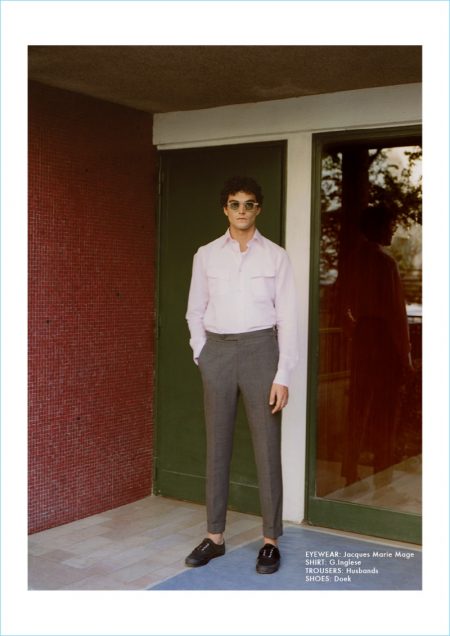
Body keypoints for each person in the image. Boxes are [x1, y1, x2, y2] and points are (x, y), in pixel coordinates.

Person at [184, 176, 298, 574]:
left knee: (267, 446)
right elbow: (194, 310)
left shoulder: (276, 257)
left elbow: (288, 318)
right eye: (235, 204)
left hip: (260, 351)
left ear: (258, 209)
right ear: (225, 209)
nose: (242, 211)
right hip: (217, 351)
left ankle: (270, 541)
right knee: (217, 444)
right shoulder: (206, 255)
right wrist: (202, 352)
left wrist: (283, 374)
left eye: (249, 204)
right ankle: (214, 537)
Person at [341, 205, 413, 486]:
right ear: (378, 227)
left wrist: (354, 331)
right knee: (386, 409)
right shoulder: (385, 263)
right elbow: (397, 314)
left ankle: (349, 470)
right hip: (384, 340)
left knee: (358, 406)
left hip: (363, 337)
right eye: (390, 225)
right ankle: (383, 472)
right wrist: (405, 355)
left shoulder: (354, 260)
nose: (393, 230)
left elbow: (343, 303)